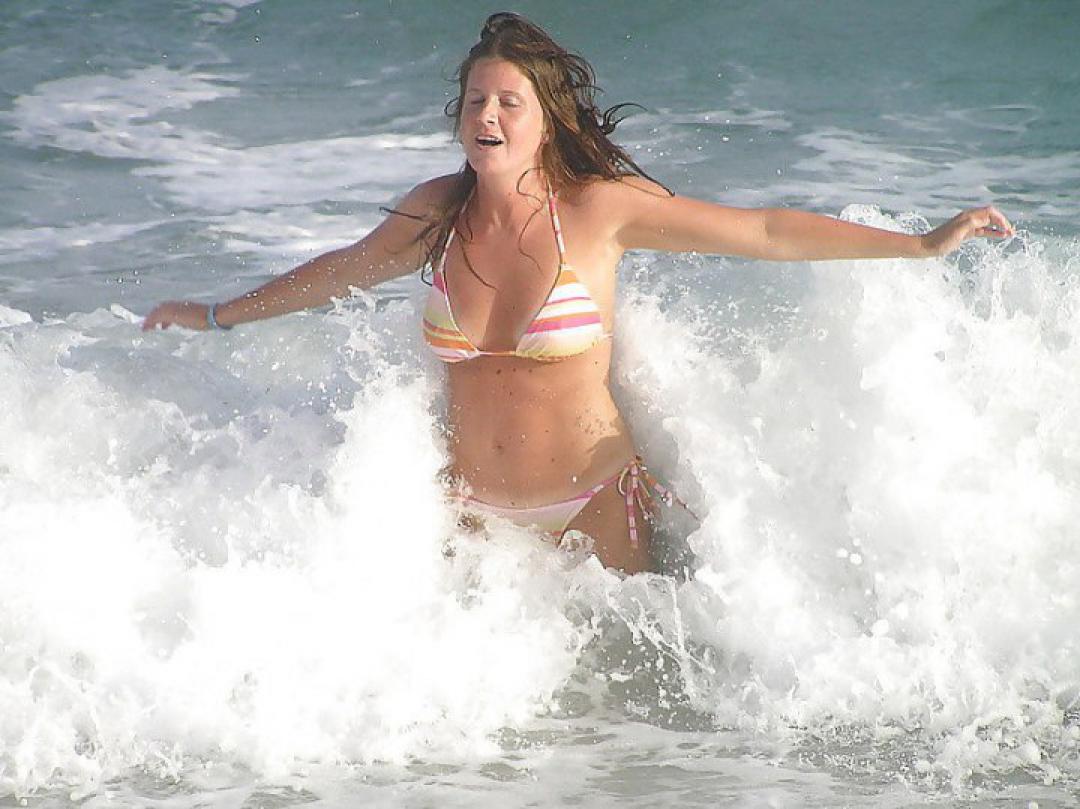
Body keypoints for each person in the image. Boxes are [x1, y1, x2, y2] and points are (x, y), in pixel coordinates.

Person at [142, 12, 1014, 575]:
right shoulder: (435, 215)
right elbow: (339, 270)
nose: (487, 115)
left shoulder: (598, 212)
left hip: (592, 502)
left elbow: (764, 231)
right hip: (469, 514)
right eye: (475, 100)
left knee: (620, 741)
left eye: (508, 102)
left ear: (547, 119)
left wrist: (919, 245)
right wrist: (216, 314)